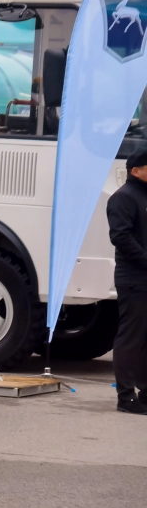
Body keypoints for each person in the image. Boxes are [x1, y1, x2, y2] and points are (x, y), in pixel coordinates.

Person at [107, 147, 147, 415]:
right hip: (134, 279)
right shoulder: (124, 198)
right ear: (136, 171)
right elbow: (121, 236)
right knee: (131, 338)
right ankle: (125, 396)